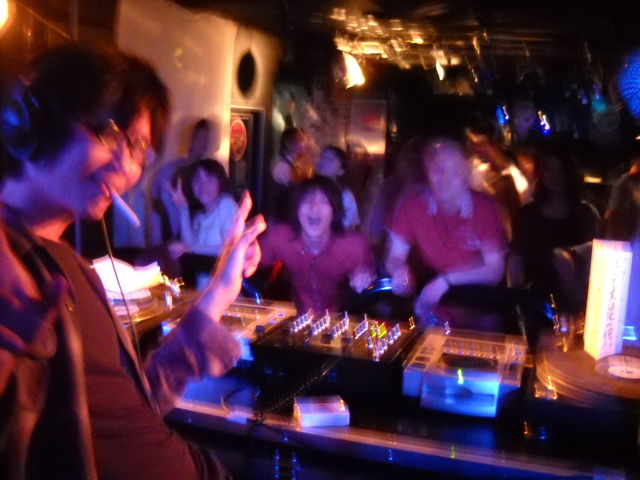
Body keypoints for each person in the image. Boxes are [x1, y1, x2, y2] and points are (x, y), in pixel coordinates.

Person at [0, 44, 265, 480]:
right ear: (32, 122)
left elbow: (128, 413)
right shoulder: (12, 263)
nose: (125, 167)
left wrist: (221, 289)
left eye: (139, 147)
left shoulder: (72, 265)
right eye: (108, 133)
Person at [385, 138, 507, 324]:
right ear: (428, 172)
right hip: (437, 307)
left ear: (466, 175)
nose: (445, 179)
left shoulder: (485, 207)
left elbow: (495, 270)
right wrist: (400, 272)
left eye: (455, 172)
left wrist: (446, 280)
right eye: (438, 170)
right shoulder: (412, 205)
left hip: (479, 306)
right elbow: (394, 257)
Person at [257, 175, 375, 314]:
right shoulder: (279, 236)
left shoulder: (354, 245)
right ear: (296, 208)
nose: (314, 207)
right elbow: (249, 264)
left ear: (334, 211)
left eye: (324, 201)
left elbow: (373, 277)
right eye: (307, 200)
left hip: (344, 319)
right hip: (293, 318)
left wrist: (366, 276)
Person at [511, 142, 600, 314]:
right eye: (548, 169)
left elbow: (593, 262)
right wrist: (516, 300)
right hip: (534, 303)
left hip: (575, 303)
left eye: (561, 170)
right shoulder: (527, 215)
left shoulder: (585, 214)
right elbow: (516, 261)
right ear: (540, 173)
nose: (555, 175)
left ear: (569, 173)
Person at [168, 158, 238, 288]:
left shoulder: (226, 204)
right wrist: (183, 209)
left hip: (224, 292)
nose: (203, 186)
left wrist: (187, 248)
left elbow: (229, 249)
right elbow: (190, 251)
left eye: (210, 179)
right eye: (197, 180)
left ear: (220, 183)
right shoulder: (199, 218)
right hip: (204, 292)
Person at [152, 118, 213, 240]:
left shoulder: (209, 170)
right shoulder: (174, 168)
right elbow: (157, 195)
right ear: (191, 139)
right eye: (200, 137)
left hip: (199, 231)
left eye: (206, 138)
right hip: (176, 230)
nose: (204, 142)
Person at [316, 145, 360, 229]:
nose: (323, 160)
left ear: (341, 171)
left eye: (330, 159)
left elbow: (348, 226)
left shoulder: (345, 196)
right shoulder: (309, 189)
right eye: (322, 157)